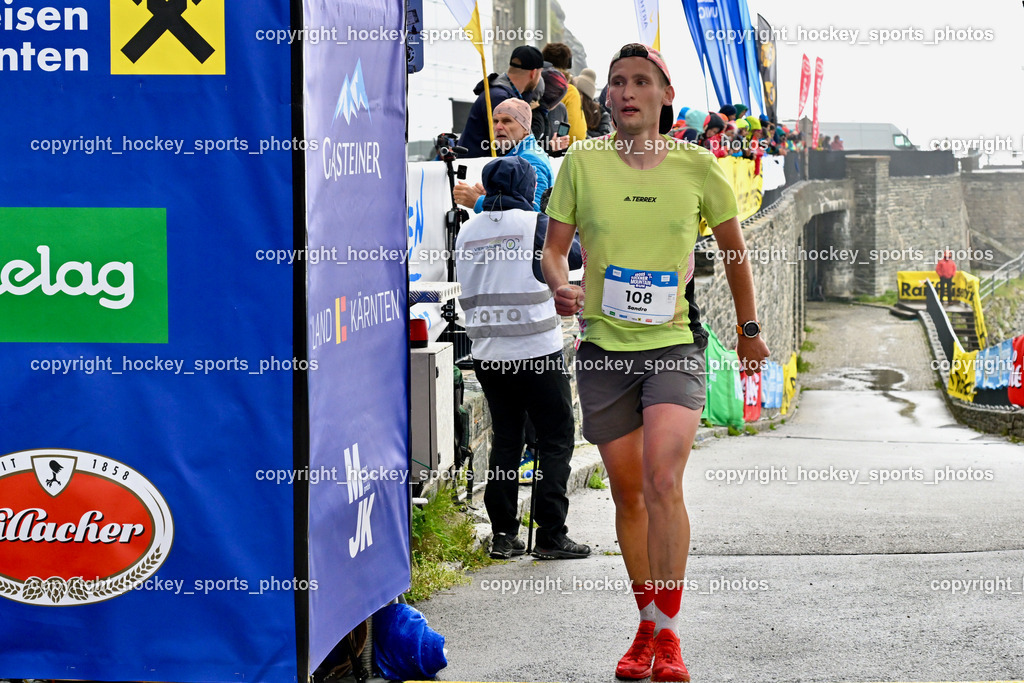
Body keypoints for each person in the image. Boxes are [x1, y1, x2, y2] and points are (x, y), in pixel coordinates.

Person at [542, 43, 770, 682]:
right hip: (605, 351)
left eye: (640, 81)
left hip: (674, 343)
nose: (626, 92)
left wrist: (750, 329)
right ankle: (646, 620)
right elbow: (554, 251)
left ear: (665, 95)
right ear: (607, 95)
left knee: (664, 479)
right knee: (629, 492)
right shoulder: (581, 164)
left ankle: (669, 634)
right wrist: (560, 283)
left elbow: (734, 253)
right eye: (617, 83)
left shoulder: (699, 166)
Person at [455, 155, 590, 561]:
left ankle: (503, 535)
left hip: (488, 355)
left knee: (506, 442)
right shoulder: (537, 224)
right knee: (555, 436)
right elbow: (576, 257)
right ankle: (550, 533)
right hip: (535, 351)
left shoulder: (466, 231)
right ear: (528, 189)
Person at [453, 98, 554, 213]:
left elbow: (533, 213)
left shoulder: (529, 159)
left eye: (506, 121)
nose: (498, 127)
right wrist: (491, 197)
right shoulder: (519, 153)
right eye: (495, 121)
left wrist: (479, 202)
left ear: (525, 129)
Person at [458, 46, 544, 158]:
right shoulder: (501, 99)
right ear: (534, 73)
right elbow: (514, 146)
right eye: (540, 73)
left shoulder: (499, 94)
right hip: (480, 170)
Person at [541, 43, 587, 143]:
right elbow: (576, 133)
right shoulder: (570, 91)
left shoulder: (534, 86)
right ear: (568, 63)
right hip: (562, 152)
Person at [575, 67, 613, 138]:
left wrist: (582, 134)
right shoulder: (569, 109)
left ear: (586, 96)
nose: (575, 96)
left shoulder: (602, 114)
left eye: (578, 93)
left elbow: (605, 138)